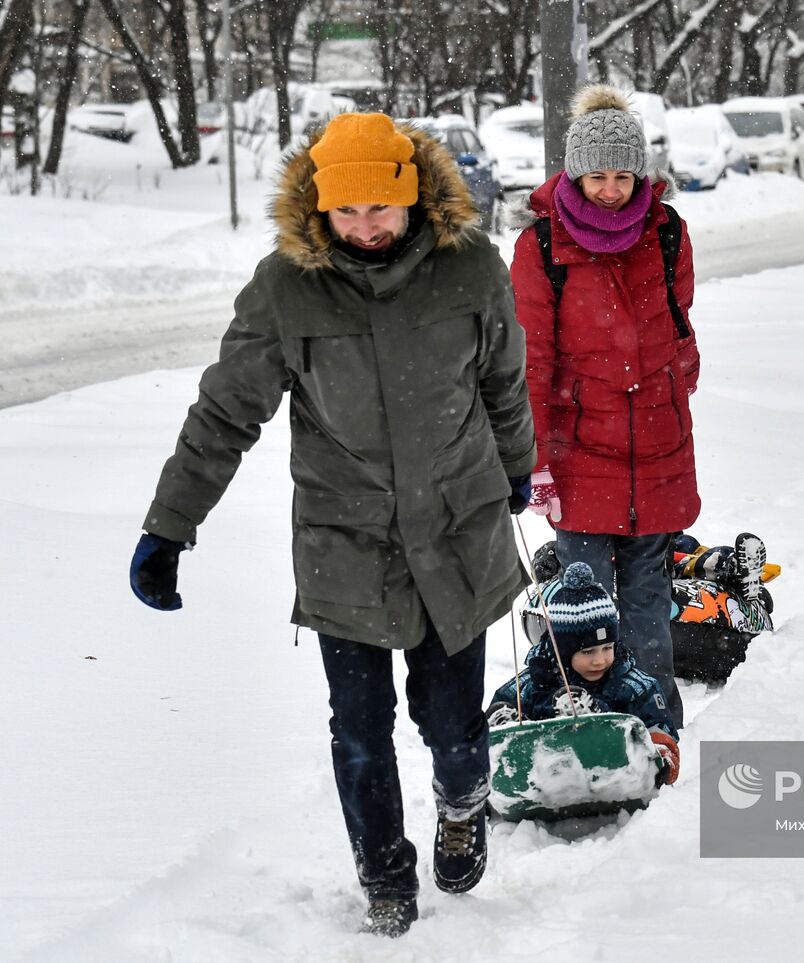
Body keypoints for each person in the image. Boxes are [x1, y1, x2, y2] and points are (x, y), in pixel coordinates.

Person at [127, 113, 536, 939]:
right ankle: (385, 875)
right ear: (321, 208)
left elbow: (504, 379)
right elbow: (224, 412)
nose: (365, 228)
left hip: (457, 529)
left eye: (379, 210)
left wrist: (517, 465)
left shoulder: (471, 269)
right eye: (346, 213)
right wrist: (171, 524)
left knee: (454, 730)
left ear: (412, 195)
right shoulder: (286, 287)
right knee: (358, 727)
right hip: (343, 539)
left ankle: (462, 805)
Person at [511, 84, 700, 733]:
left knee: (648, 611)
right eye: (598, 176)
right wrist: (533, 459)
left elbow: (680, 328)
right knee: (582, 609)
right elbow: (529, 363)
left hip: (658, 452)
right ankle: (576, 730)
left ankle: (656, 733)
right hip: (577, 457)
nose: (612, 190)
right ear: (574, 171)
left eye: (624, 175)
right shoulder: (541, 248)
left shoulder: (668, 232)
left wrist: (675, 390)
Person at [489, 562, 680, 784]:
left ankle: (591, 723)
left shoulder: (636, 686)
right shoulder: (536, 680)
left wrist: (662, 756)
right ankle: (513, 743)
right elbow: (500, 703)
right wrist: (500, 721)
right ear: (563, 651)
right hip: (543, 779)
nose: (600, 660)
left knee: (619, 732)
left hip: (617, 776)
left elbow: (661, 729)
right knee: (507, 717)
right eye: (587, 651)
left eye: (607, 648)